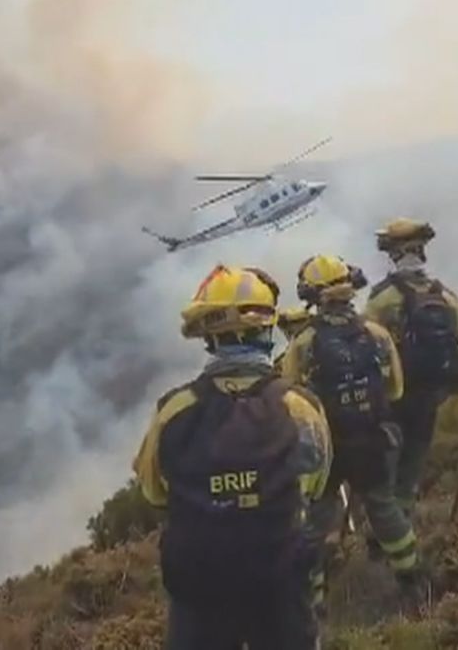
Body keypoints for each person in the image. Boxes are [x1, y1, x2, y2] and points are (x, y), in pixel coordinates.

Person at [134, 265, 332, 650]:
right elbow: (315, 482)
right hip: (279, 581)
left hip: (199, 586)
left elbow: (153, 492)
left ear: (209, 338)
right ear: (266, 329)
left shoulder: (173, 411)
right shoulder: (300, 406)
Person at [281, 254, 421, 608]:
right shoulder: (376, 334)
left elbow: (289, 401)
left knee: (313, 526)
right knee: (384, 509)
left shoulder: (303, 342)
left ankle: (313, 603)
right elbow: (396, 390)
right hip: (372, 441)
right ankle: (413, 580)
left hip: (326, 452)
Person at [364, 218, 458, 516]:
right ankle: (405, 518)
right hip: (431, 395)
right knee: (413, 464)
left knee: (386, 466)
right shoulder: (445, 295)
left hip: (392, 397)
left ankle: (383, 530)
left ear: (395, 253)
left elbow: (364, 340)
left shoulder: (383, 297)